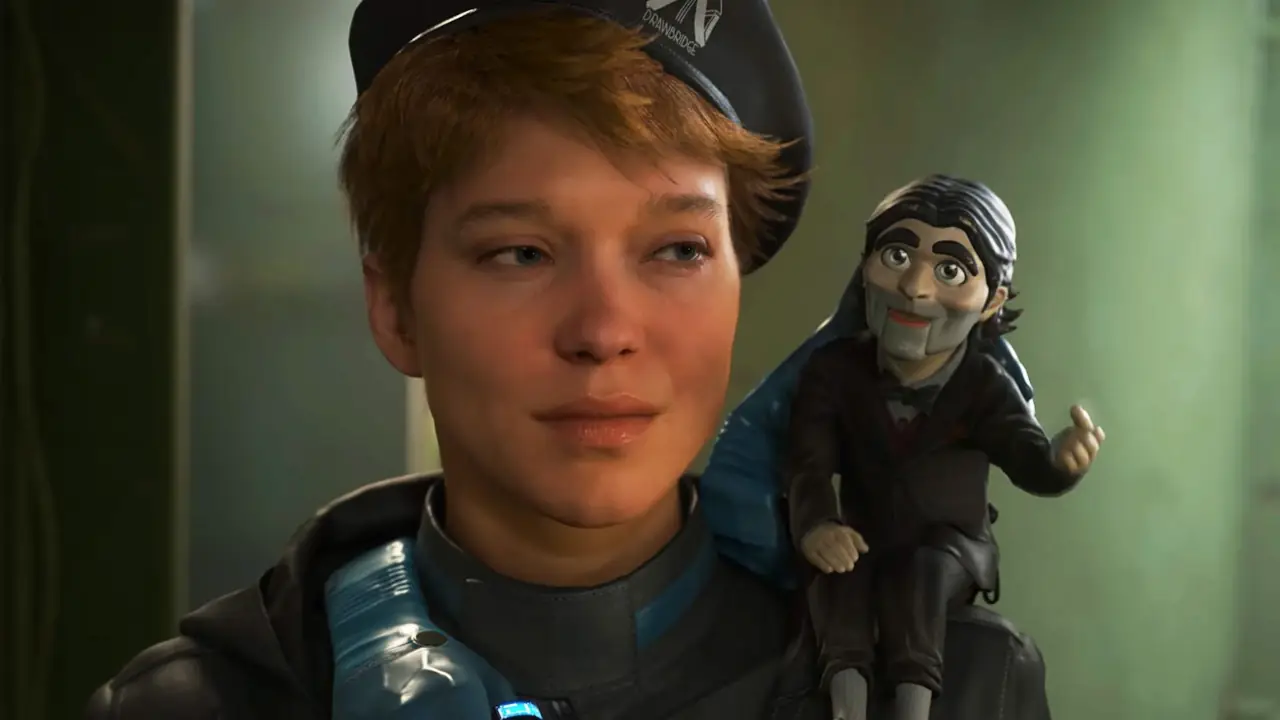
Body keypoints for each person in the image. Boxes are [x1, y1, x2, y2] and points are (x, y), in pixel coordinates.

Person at [86, 0, 826, 718]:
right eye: (521, 253)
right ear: (396, 311)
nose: (604, 332)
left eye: (679, 250)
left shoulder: (871, 672)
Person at [785, 175, 1107, 720]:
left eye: (950, 270)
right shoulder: (833, 372)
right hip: (863, 540)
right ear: (865, 269)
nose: (915, 288)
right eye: (896, 256)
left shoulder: (983, 384)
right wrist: (817, 525)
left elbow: (1026, 456)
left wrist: (1060, 462)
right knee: (838, 580)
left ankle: (915, 704)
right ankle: (846, 700)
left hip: (951, 549)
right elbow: (807, 464)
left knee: (924, 571)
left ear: (991, 300)